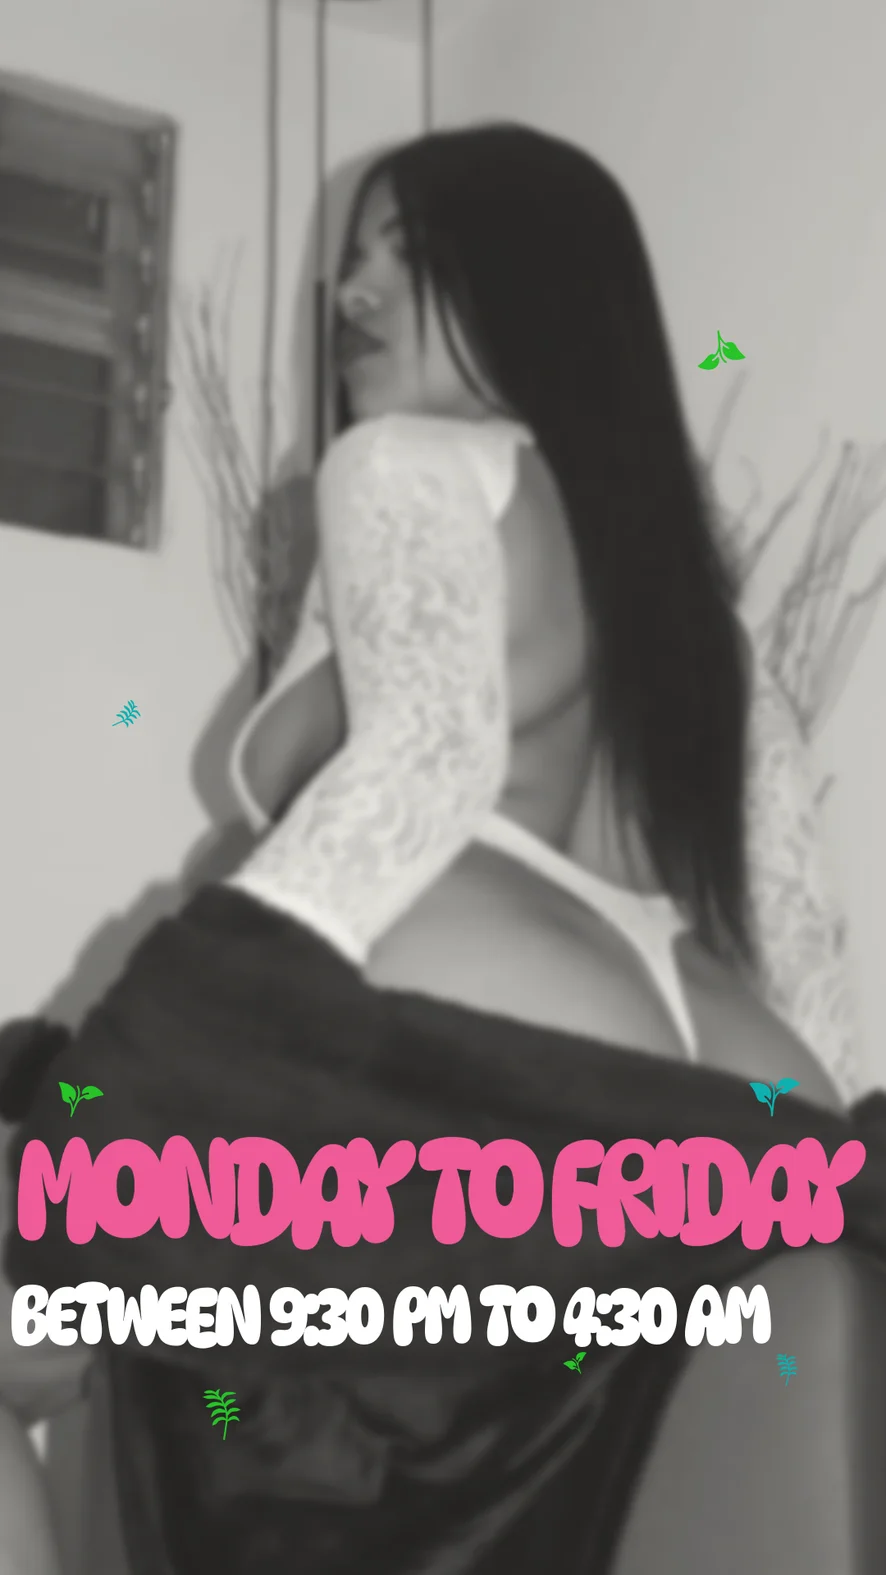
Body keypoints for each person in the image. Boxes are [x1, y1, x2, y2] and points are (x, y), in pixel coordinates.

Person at [4, 123, 885, 1575]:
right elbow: (796, 932)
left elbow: (426, 763)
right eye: (349, 264)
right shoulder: (704, 617)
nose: (352, 292)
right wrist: (841, 1172)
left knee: (51, 1301)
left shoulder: (410, 465)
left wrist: (156, 1061)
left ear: (532, 283)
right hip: (728, 1133)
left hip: (481, 1112)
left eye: (405, 256)